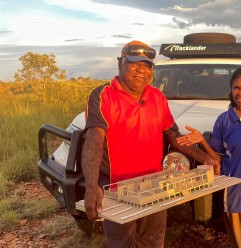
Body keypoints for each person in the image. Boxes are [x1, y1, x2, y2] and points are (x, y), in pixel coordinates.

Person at [81, 40, 220, 248]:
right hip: (116, 189)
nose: (141, 70)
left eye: (147, 65)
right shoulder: (103, 96)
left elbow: (175, 137)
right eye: (135, 63)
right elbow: (94, 139)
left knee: (152, 243)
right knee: (123, 244)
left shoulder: (157, 97)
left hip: (155, 186)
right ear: (120, 63)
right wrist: (91, 186)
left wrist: (204, 158)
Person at [176, 67, 241, 248]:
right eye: (236, 88)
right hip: (236, 194)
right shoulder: (224, 120)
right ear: (231, 90)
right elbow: (219, 158)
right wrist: (202, 141)